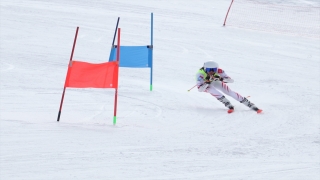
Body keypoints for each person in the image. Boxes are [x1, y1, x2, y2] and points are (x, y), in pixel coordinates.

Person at [196, 61, 262, 113]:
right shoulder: (200, 74)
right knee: (213, 90)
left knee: (229, 91)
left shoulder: (219, 71)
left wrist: (221, 79)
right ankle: (227, 103)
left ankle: (248, 103)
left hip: (215, 81)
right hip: (205, 85)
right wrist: (207, 83)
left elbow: (231, 80)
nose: (211, 71)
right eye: (209, 69)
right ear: (205, 69)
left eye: (214, 69)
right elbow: (200, 89)